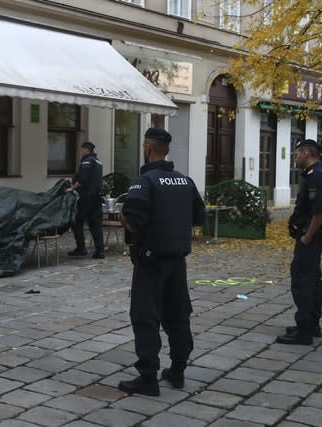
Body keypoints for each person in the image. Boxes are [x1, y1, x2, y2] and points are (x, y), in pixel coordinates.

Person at [117, 128, 206, 396]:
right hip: (177, 262)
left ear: (147, 148)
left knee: (145, 318)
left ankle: (148, 378)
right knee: (178, 316)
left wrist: (122, 216)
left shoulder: (143, 183)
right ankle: (177, 371)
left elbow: (133, 219)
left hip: (150, 262)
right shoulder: (185, 181)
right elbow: (199, 218)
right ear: (167, 150)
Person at [276, 138, 322, 345]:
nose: (296, 157)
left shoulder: (315, 177)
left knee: (303, 281)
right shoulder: (314, 175)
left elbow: (319, 211)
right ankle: (311, 324)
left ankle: (304, 331)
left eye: (297, 153)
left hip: (311, 237)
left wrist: (307, 236)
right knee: (313, 279)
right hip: (313, 236)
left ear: (306, 153)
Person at [65, 141, 105, 259]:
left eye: (81, 149)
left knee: (77, 222)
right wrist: (72, 179)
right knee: (96, 224)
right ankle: (100, 251)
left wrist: (72, 188)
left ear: (86, 150)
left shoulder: (87, 161)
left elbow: (83, 178)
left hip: (87, 197)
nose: (80, 152)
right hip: (97, 197)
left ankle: (81, 248)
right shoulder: (98, 161)